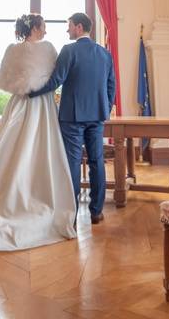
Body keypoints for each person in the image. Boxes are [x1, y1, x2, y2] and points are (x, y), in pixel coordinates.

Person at [0, 14, 76, 253]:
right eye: (44, 27)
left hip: (18, 105)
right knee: (39, 147)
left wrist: (24, 88)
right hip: (41, 105)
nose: (47, 31)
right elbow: (56, 79)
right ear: (36, 28)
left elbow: (3, 82)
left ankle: (6, 196)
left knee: (14, 148)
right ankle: (35, 198)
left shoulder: (12, 50)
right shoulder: (48, 49)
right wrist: (36, 88)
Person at [30, 12, 116, 225]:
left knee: (72, 163)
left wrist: (30, 92)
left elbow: (55, 81)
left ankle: (72, 213)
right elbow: (111, 86)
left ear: (78, 27)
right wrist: (104, 109)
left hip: (72, 117)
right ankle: (96, 212)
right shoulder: (105, 54)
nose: (67, 30)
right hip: (97, 116)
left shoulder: (69, 50)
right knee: (97, 161)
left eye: (69, 26)